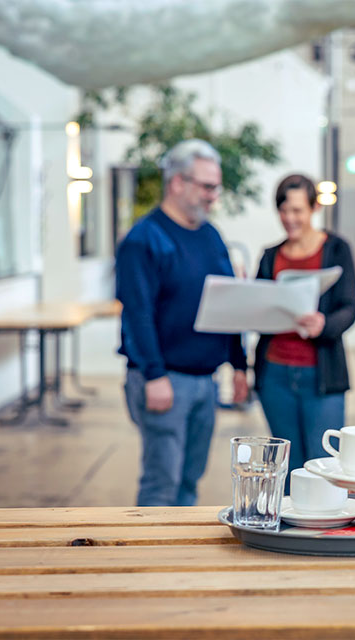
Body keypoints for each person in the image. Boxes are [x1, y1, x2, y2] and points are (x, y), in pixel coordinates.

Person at [116, 139, 249, 507]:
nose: (213, 196)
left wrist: (239, 364)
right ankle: (151, 563)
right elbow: (136, 313)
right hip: (164, 379)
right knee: (163, 482)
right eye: (207, 187)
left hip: (205, 381)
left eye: (215, 187)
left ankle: (179, 561)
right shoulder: (144, 240)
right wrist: (155, 375)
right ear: (177, 183)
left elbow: (229, 301)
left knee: (191, 480)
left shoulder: (210, 235)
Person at [254, 174, 355, 475]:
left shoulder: (336, 249)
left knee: (323, 468)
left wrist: (323, 323)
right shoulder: (270, 256)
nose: (289, 218)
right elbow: (257, 309)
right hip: (274, 375)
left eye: (297, 210)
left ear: (313, 208)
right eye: (284, 211)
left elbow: (349, 309)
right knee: (285, 468)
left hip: (322, 376)